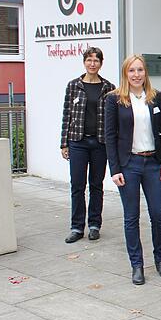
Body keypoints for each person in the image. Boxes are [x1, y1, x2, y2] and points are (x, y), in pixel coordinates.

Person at [105, 55, 161, 285]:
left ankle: (160, 260)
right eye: (132, 70)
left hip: (153, 163)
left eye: (140, 70)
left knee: (158, 215)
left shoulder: (155, 97)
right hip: (129, 165)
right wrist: (114, 169)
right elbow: (110, 137)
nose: (136, 74)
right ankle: (137, 265)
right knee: (131, 217)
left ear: (145, 73)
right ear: (125, 73)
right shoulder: (114, 99)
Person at [60, 47, 116, 244]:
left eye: (96, 60)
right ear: (84, 62)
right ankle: (76, 227)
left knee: (96, 185)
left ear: (101, 63)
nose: (93, 64)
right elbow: (67, 115)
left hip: (100, 143)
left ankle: (94, 225)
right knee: (77, 185)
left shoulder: (109, 88)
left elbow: (113, 120)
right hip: (78, 142)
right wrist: (64, 143)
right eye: (89, 60)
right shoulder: (73, 85)